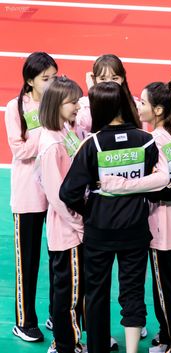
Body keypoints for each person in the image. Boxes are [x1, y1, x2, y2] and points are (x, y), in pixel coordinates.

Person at [59, 81, 169, 353]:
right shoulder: (147, 141)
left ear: (98, 107)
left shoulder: (92, 143)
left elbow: (69, 192)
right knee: (132, 292)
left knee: (96, 294)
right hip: (135, 229)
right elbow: (156, 186)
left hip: (100, 230)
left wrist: (92, 209)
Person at [100, 80, 171, 353]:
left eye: (142, 102)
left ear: (157, 109)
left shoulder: (154, 140)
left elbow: (156, 188)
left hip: (163, 228)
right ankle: (168, 337)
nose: (138, 106)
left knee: (166, 293)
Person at [77, 53, 148, 343]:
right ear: (94, 79)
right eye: (102, 77)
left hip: (115, 215)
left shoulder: (133, 109)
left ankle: (129, 324)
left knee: (124, 282)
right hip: (105, 212)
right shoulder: (85, 110)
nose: (109, 83)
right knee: (97, 284)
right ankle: (98, 334)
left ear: (123, 77)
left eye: (114, 77)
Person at [4, 52, 58, 342]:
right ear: (29, 80)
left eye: (54, 78)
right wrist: (48, 130)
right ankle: (25, 322)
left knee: (58, 258)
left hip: (57, 196)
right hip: (28, 196)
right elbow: (20, 150)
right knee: (28, 261)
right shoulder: (15, 107)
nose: (51, 84)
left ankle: (56, 314)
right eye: (45, 79)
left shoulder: (57, 101)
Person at [37, 76, 85, 353]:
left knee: (71, 291)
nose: (78, 106)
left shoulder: (64, 131)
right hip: (67, 231)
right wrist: (79, 225)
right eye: (73, 102)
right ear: (57, 104)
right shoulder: (52, 144)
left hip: (70, 228)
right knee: (69, 293)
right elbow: (57, 196)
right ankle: (67, 345)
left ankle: (66, 343)